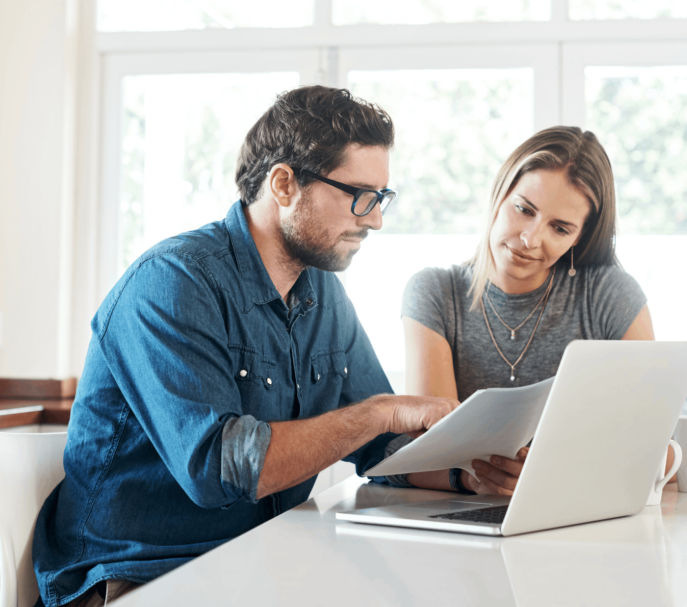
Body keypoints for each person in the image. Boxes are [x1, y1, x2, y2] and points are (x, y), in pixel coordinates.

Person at [33, 87, 459, 607]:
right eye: (359, 195)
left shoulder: (322, 292)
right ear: (284, 183)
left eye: (381, 197)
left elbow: (382, 447)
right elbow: (219, 468)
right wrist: (379, 414)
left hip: (258, 562)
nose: (374, 219)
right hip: (139, 575)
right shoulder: (171, 282)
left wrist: (469, 470)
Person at [401, 126, 656, 496]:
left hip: (576, 513)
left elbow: (653, 446)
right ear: (499, 193)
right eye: (524, 209)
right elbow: (434, 450)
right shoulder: (435, 293)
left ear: (579, 237)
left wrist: (552, 475)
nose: (530, 239)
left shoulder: (609, 295)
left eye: (560, 228)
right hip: (469, 519)